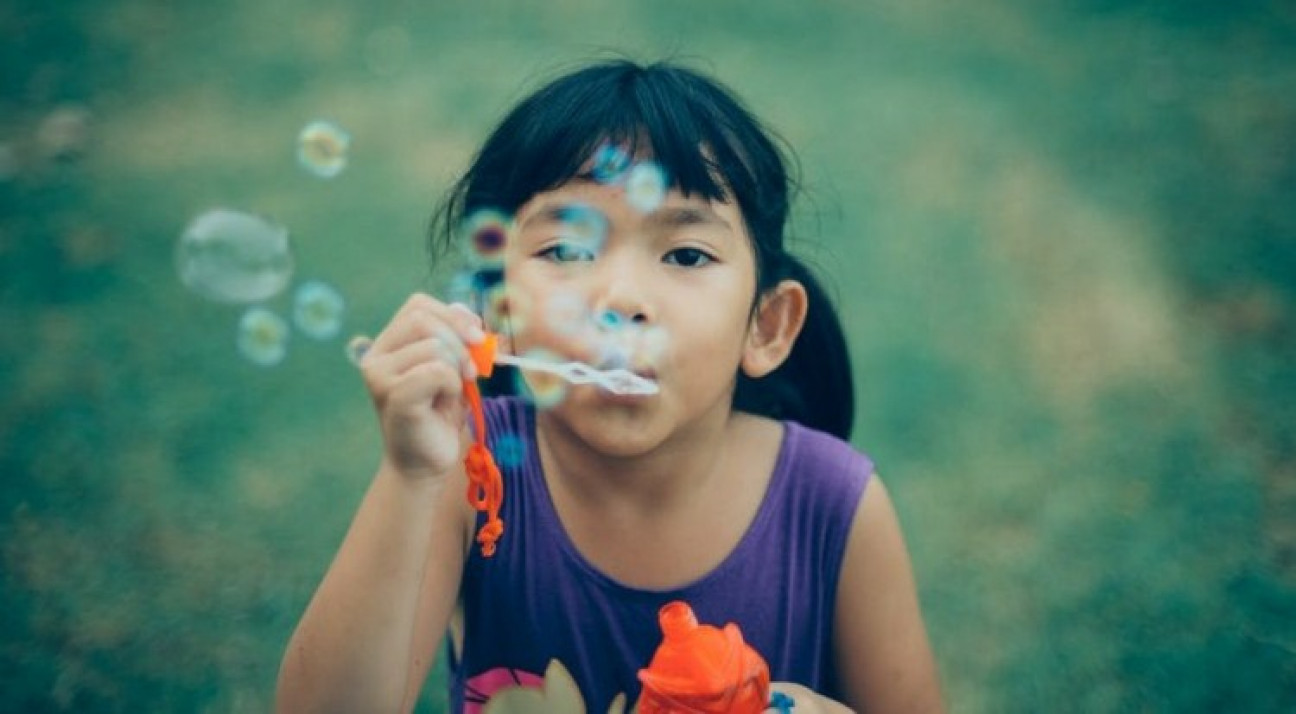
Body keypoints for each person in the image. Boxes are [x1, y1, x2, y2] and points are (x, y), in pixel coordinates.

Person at [276, 59, 944, 714]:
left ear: (765, 326)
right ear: (499, 312)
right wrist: (411, 475)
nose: (620, 298)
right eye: (566, 250)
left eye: (686, 254)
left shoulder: (833, 506)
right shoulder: (467, 472)